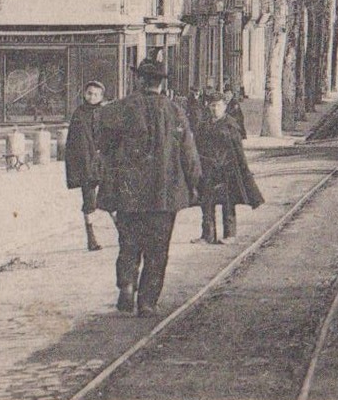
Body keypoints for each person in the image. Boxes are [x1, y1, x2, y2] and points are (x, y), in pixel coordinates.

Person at [98, 58, 202, 316]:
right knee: (158, 249)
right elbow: (189, 154)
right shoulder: (175, 111)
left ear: (139, 80)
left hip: (128, 192)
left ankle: (127, 285)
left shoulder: (120, 109)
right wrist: (195, 183)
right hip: (164, 195)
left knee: (129, 242)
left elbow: (105, 147)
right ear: (160, 83)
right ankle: (147, 302)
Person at [196, 93, 264, 244]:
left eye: (218, 106)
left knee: (228, 201)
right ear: (208, 107)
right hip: (208, 169)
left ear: (224, 107)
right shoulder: (203, 125)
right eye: (212, 105)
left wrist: (243, 170)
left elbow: (238, 150)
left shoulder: (230, 125)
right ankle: (207, 235)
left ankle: (230, 235)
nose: (215, 109)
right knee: (206, 202)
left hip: (227, 169)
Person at [64, 81, 108, 252]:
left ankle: (123, 233)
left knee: (110, 196)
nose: (92, 97)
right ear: (84, 93)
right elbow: (74, 143)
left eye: (96, 94)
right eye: (89, 93)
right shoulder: (79, 114)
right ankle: (91, 237)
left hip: (102, 163)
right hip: (86, 164)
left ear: (101, 97)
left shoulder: (105, 113)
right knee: (89, 201)